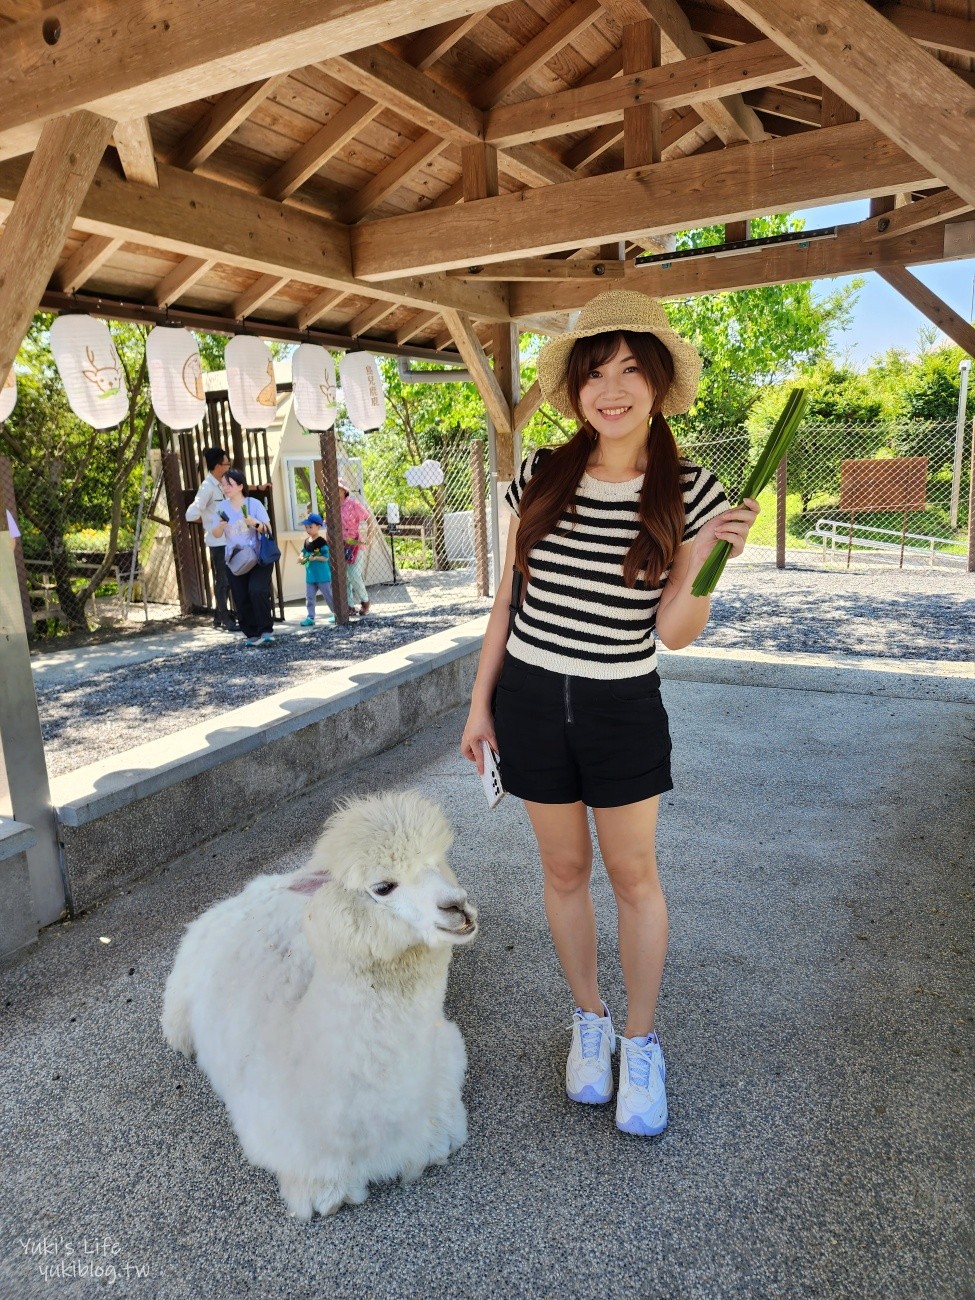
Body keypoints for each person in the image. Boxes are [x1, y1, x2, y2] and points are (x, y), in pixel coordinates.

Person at [460, 290, 760, 1138]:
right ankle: (588, 1022)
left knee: (633, 878)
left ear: (658, 384)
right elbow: (507, 604)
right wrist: (480, 705)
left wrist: (706, 556)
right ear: (575, 391)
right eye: (595, 372)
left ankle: (640, 1041)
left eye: (630, 369)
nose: (612, 388)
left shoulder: (694, 492)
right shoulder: (538, 474)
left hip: (621, 705)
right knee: (561, 874)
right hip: (525, 701)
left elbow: (675, 634)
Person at [212, 469, 275, 648]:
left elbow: (267, 528)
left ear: (240, 486)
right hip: (236, 559)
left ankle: (266, 631)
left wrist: (253, 522)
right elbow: (216, 534)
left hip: (258, 556)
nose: (225, 488)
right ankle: (252, 633)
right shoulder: (222, 507)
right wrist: (220, 526)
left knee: (257, 590)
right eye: (223, 484)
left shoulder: (253, 504)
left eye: (229, 484)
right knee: (241, 596)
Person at [184, 446, 237, 631]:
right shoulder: (207, 487)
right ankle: (225, 618)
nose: (228, 466)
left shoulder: (222, 483)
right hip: (218, 541)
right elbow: (190, 514)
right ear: (216, 466)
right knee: (223, 580)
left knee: (227, 578)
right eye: (226, 463)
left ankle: (218, 617)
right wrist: (208, 521)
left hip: (228, 539)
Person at [337, 476, 372, 616]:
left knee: (353, 574)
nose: (336, 490)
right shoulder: (333, 507)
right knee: (345, 576)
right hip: (340, 544)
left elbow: (369, 519)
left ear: (344, 490)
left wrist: (369, 538)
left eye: (339, 487)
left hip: (354, 542)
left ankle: (365, 600)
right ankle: (349, 606)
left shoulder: (353, 504)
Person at [297, 512, 334, 627]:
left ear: (318, 527)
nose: (308, 529)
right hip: (310, 576)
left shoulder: (322, 542)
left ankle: (336, 613)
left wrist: (315, 557)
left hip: (322, 576)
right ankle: (310, 617)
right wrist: (300, 557)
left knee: (328, 595)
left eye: (310, 527)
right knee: (310, 597)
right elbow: (303, 553)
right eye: (306, 527)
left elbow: (326, 557)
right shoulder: (307, 541)